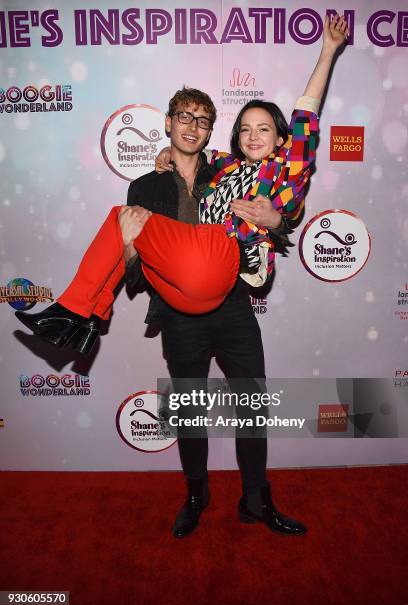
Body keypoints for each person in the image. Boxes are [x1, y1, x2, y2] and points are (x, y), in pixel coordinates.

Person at [15, 14, 349, 538]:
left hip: (232, 299)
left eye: (203, 121)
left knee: (252, 404)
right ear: (170, 124)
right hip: (178, 305)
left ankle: (256, 501)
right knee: (189, 405)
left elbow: (301, 130)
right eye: (184, 119)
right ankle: (196, 494)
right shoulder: (170, 178)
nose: (193, 128)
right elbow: (133, 270)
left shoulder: (258, 169)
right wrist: (132, 246)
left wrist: (279, 219)